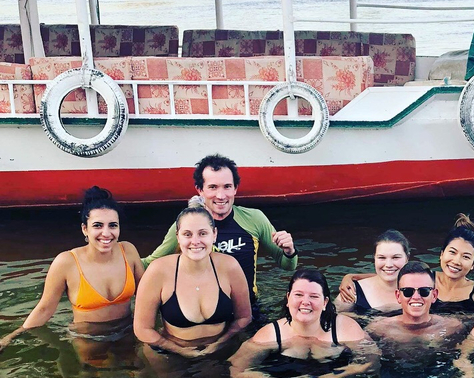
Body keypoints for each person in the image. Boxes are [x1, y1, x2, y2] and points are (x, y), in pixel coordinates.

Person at [338, 214, 474, 323]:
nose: (456, 261)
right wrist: (351, 276)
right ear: (441, 255)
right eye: (452, 253)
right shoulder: (426, 278)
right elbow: (394, 275)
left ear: (473, 264)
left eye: (466, 257)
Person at [0, 187, 144, 352]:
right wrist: (11, 336)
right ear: (85, 229)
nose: (106, 233)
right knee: (89, 377)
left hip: (127, 333)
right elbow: (45, 308)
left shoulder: (128, 251)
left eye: (113, 225)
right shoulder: (66, 262)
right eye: (97, 225)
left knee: (134, 372)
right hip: (88, 339)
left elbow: (148, 295)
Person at [142, 153, 298, 304]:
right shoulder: (186, 225)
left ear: (235, 188)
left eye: (227, 187)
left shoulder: (254, 219)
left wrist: (289, 251)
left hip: (249, 309)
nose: (221, 196)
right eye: (213, 187)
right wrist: (120, 254)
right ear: (200, 190)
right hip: (206, 314)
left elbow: (287, 265)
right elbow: (150, 264)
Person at [134, 202, 252, 358]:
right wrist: (181, 351)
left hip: (220, 348)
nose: (195, 241)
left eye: (203, 233)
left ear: (214, 234)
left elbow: (244, 317)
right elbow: (142, 329)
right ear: (178, 236)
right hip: (170, 351)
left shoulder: (230, 266)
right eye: (187, 234)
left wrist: (220, 343)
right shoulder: (158, 271)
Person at [230, 267, 378, 378]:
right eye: (298, 295)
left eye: (314, 296)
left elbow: (371, 359)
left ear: (325, 302)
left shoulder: (345, 328)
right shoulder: (271, 334)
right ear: (288, 298)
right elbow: (236, 370)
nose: (305, 302)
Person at [366, 262, 465, 348]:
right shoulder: (379, 329)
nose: (416, 297)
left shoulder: (451, 327)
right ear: (398, 296)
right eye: (408, 291)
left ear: (434, 295)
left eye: (424, 291)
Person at [334, 229, 410, 315]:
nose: (389, 264)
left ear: (407, 258)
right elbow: (330, 321)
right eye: (381, 258)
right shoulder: (352, 292)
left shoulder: (423, 289)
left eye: (396, 257)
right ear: (374, 258)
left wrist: (351, 276)